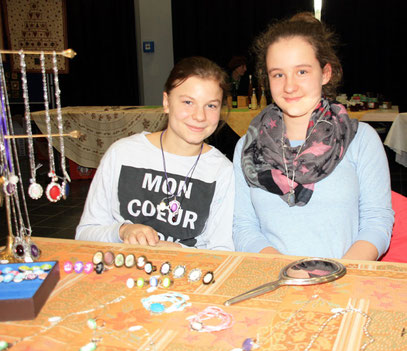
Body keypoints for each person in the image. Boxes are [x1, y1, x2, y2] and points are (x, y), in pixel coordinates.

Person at [233, 13, 394, 260]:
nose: (289, 86)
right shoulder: (247, 147)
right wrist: (285, 272)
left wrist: (337, 275)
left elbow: (377, 222)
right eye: (278, 74)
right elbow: (244, 227)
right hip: (274, 281)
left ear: (325, 73)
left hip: (344, 283)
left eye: (302, 72)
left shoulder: (361, 140)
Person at [76, 56, 235, 251]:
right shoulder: (122, 153)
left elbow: (222, 249)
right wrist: (122, 231)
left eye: (211, 105)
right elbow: (84, 234)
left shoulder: (223, 171)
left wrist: (179, 253)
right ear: (166, 102)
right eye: (188, 102)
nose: (200, 116)